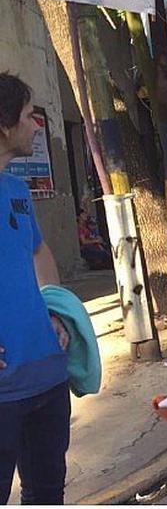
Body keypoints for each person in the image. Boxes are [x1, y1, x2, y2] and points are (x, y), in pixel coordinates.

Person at [0, 72, 71, 505]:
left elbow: (40, 252)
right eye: (28, 115)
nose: (36, 124)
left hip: (47, 378)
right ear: (5, 124)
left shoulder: (16, 189)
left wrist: (56, 312)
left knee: (46, 495)